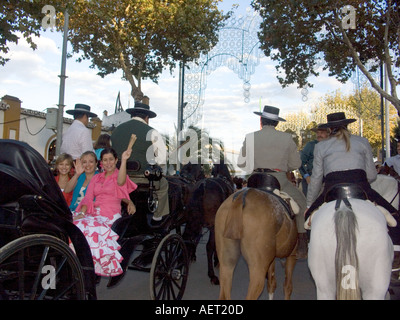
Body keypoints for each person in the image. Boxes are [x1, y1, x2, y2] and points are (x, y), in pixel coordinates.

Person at [305, 112, 400, 271]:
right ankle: (396, 258)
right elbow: (371, 175)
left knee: (309, 220)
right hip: (360, 186)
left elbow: (316, 178)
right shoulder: (362, 141)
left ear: (330, 129)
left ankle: (313, 254)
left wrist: (309, 204)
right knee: (395, 216)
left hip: (332, 189)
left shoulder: (321, 146)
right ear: (347, 125)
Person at [237, 105, 308, 259]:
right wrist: (283, 166)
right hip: (279, 180)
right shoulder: (287, 138)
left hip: (255, 181)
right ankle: (302, 242)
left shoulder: (250, 137)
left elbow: (242, 164)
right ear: (276, 123)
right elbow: (295, 164)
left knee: (235, 201)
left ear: (261, 120)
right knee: (302, 204)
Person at [73, 147, 137, 277]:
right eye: (105, 160)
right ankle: (79, 261)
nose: (108, 163)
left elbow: (121, 182)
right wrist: (82, 213)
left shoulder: (119, 176)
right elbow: (88, 198)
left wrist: (124, 160)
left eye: (111, 160)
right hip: (94, 214)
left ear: (116, 160)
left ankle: (92, 265)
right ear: (101, 162)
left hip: (110, 215)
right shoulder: (97, 178)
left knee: (91, 229)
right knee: (76, 224)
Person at [111, 100, 169, 226]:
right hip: (142, 180)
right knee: (163, 185)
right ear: (147, 118)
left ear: (132, 115)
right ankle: (158, 217)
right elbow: (161, 159)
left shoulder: (116, 131)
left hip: (117, 178)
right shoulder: (152, 132)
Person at [299, 124, 330, 196]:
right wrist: (306, 176)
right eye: (318, 133)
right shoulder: (311, 145)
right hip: (311, 177)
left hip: (327, 178)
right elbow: (300, 162)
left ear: (328, 133)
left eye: (322, 133)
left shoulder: (331, 145)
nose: (319, 135)